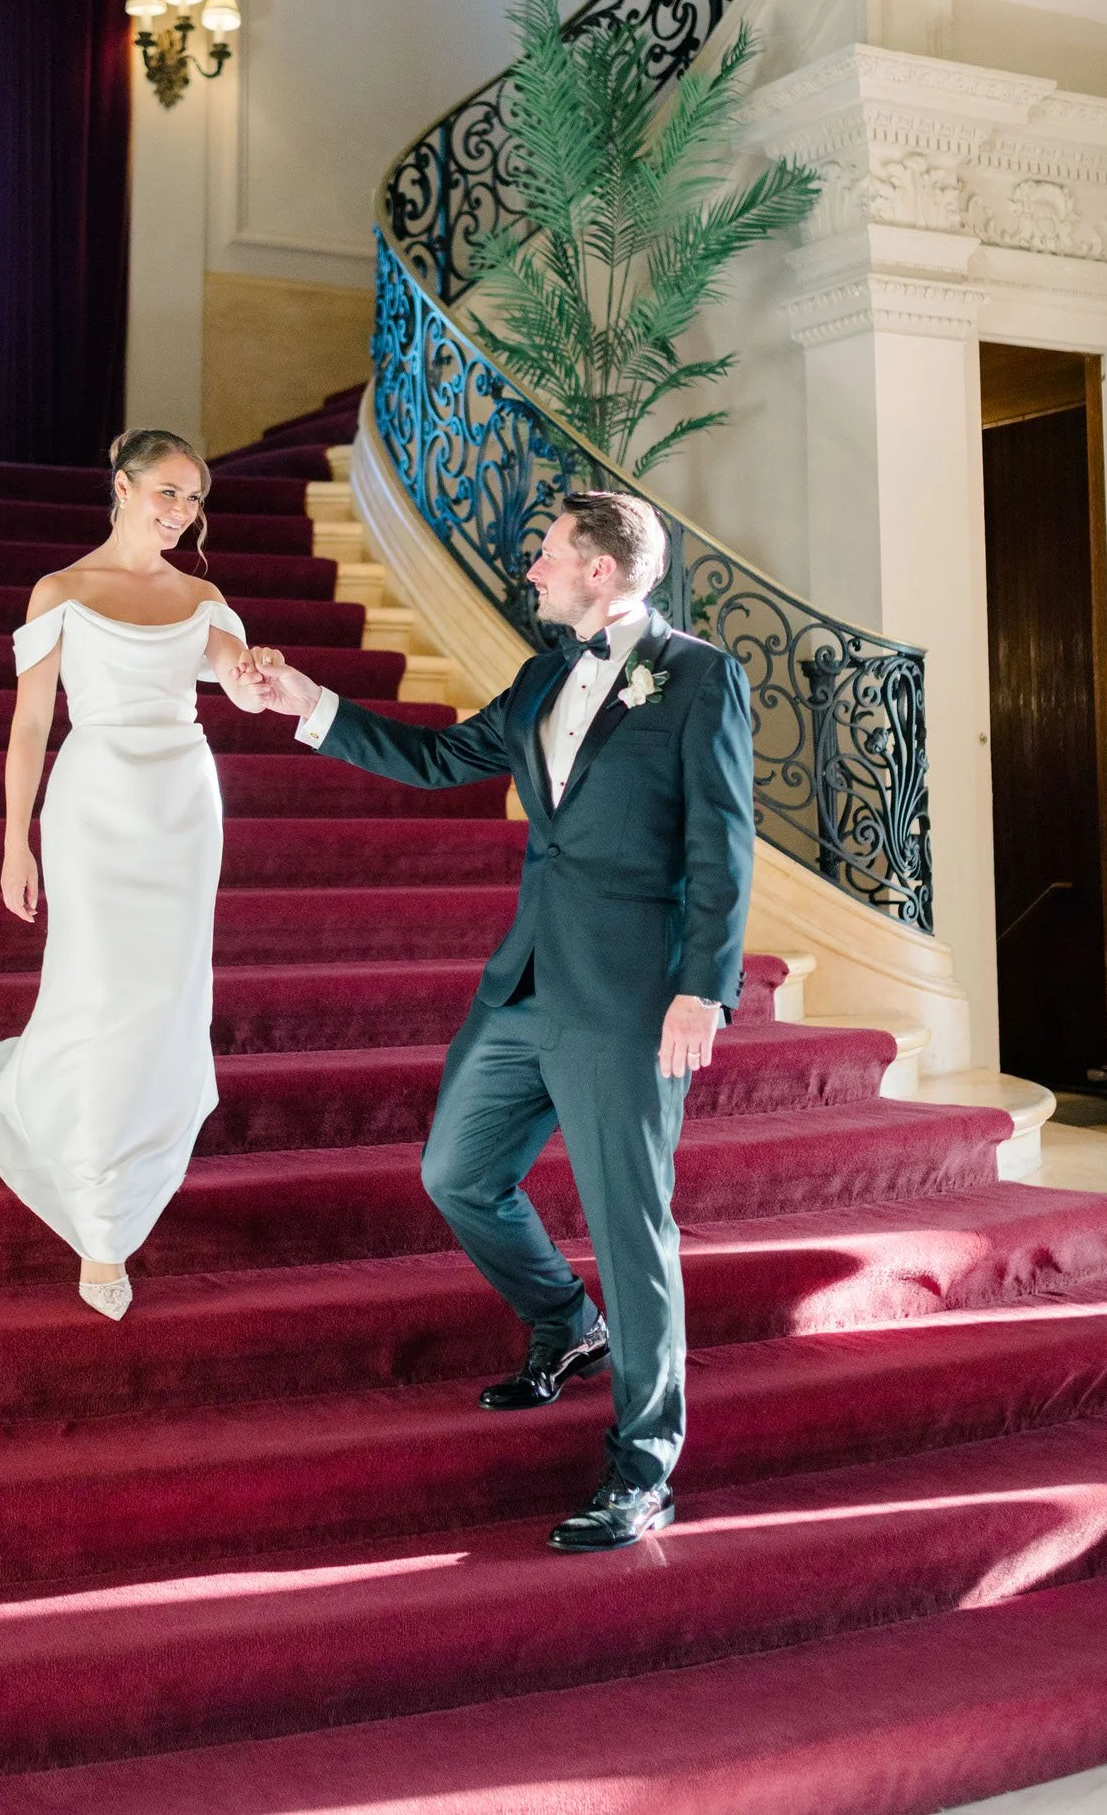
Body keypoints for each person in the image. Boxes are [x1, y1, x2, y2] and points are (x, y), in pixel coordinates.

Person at [253, 488, 754, 1550]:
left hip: (627, 1001)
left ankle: (642, 1465)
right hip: (524, 983)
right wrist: (306, 701)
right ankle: (564, 1324)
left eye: (548, 553)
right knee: (454, 1172)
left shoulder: (701, 677)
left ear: (602, 571)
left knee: (630, 1233)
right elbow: (440, 758)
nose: (531, 570)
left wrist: (702, 990)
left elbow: (722, 842)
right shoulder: (540, 675)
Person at [0, 429, 282, 1322]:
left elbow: (239, 687)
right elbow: (28, 727)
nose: (181, 513)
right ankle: (102, 1222)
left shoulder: (205, 597)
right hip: (93, 802)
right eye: (168, 493)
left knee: (166, 993)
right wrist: (15, 841)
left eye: (194, 500)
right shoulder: (61, 591)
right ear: (124, 487)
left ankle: (136, 1156)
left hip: (181, 803)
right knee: (97, 987)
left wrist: (262, 672)